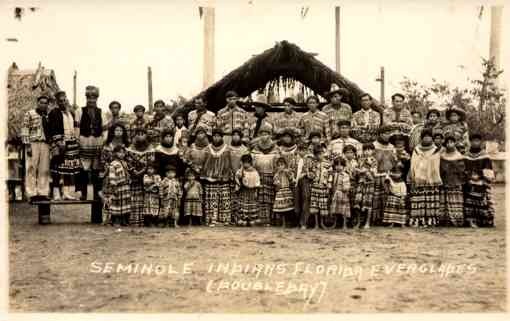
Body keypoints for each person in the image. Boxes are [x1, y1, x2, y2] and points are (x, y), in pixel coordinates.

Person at [48, 90, 82, 200]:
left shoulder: (70, 112)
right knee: (57, 169)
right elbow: (52, 128)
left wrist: (76, 140)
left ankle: (66, 193)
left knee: (68, 169)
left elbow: (75, 127)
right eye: (60, 101)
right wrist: (58, 142)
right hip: (60, 143)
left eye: (64, 100)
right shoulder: (54, 112)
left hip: (71, 143)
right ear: (57, 102)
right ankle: (56, 193)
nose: (63, 102)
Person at [74, 86, 106, 201]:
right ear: (86, 98)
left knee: (96, 170)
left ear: (97, 99)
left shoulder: (101, 112)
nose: (91, 100)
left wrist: (103, 142)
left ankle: (97, 193)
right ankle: (83, 193)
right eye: (89, 98)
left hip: (97, 142)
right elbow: (77, 128)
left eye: (94, 98)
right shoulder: (79, 111)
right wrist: (77, 141)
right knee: (83, 169)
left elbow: (104, 129)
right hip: (84, 141)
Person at [408, 129, 443, 227]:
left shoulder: (435, 150)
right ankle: (418, 220)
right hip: (419, 179)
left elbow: (436, 164)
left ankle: (431, 220)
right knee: (418, 200)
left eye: (429, 136)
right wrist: (414, 175)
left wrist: (429, 173)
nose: (427, 138)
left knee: (430, 201)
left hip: (431, 179)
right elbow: (413, 163)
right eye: (425, 136)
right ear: (421, 138)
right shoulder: (416, 149)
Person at [200, 128, 233, 226]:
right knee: (211, 199)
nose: (216, 138)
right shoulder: (207, 148)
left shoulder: (227, 148)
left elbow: (229, 163)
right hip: (210, 178)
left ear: (221, 137)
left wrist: (226, 174)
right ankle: (211, 219)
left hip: (224, 178)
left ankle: (224, 219)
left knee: (224, 199)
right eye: (214, 136)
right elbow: (204, 162)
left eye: (218, 136)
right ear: (212, 137)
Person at [21, 95, 51, 201]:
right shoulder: (30, 113)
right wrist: (27, 145)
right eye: (41, 102)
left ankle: (42, 192)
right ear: (37, 103)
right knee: (31, 168)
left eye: (45, 103)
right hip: (33, 143)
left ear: (48, 104)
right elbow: (25, 129)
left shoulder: (48, 115)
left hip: (45, 143)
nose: (43, 105)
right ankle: (32, 193)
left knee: (44, 169)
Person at [251, 124, 281, 226]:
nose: (264, 136)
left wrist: (276, 176)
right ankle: (260, 218)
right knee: (259, 198)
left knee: (269, 198)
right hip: (259, 176)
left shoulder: (275, 148)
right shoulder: (255, 147)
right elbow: (253, 162)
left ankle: (270, 218)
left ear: (270, 135)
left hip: (270, 176)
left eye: (266, 134)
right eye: (262, 134)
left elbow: (278, 163)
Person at [463, 133, 495, 228]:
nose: (475, 143)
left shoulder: (485, 156)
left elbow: (489, 171)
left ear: (480, 142)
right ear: (470, 142)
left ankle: (484, 221)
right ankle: (471, 221)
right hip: (470, 182)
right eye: (473, 141)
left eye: (477, 141)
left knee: (482, 201)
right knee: (469, 201)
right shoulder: (466, 155)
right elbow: (463, 169)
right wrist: (469, 177)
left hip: (482, 182)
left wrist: (480, 176)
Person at [126, 128, 155, 226]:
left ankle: (147, 221)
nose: (140, 136)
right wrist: (135, 172)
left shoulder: (150, 149)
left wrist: (143, 171)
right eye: (138, 134)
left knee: (147, 201)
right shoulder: (130, 148)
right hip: (134, 179)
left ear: (146, 135)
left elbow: (151, 163)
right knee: (135, 201)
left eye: (143, 133)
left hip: (147, 179)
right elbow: (129, 162)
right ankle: (134, 221)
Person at [100, 145, 131, 227]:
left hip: (125, 186)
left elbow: (127, 173)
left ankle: (124, 220)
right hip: (118, 186)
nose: (121, 154)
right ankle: (116, 220)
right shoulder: (113, 164)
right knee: (117, 204)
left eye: (123, 152)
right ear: (115, 153)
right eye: (119, 152)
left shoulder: (125, 163)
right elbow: (112, 176)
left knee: (124, 203)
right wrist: (114, 186)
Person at [440, 136, 466, 227]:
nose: (449, 144)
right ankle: (445, 220)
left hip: (455, 182)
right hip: (445, 181)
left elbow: (462, 170)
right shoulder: (442, 156)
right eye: (447, 142)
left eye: (451, 142)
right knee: (445, 202)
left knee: (455, 200)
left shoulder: (459, 156)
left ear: (455, 143)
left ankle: (456, 220)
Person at [353, 143, 378, 229]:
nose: (367, 152)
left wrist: (365, 170)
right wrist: (359, 171)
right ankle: (359, 222)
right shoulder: (360, 160)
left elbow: (373, 173)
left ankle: (367, 222)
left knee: (368, 202)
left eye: (369, 150)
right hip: (361, 182)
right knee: (358, 201)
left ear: (373, 151)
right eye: (365, 150)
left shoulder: (374, 160)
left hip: (369, 183)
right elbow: (356, 170)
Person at [306, 144, 331, 229]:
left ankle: (322, 223)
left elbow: (330, 176)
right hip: (315, 186)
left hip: (323, 187)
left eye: (321, 153)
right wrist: (310, 174)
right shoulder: (313, 163)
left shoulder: (328, 164)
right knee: (315, 205)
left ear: (324, 153)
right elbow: (311, 175)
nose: (320, 156)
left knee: (322, 205)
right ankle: (316, 224)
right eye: (317, 154)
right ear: (315, 155)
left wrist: (328, 185)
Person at [228, 128, 249, 224]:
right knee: (231, 198)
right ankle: (232, 218)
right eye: (234, 135)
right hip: (229, 175)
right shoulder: (227, 148)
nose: (235, 137)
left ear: (240, 137)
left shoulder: (244, 149)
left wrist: (240, 173)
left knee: (241, 198)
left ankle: (241, 218)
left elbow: (246, 163)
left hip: (241, 176)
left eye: (237, 135)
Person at [235, 154, 261, 226]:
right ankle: (243, 219)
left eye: (247, 162)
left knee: (252, 205)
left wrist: (256, 191)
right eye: (244, 162)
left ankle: (252, 219)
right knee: (243, 205)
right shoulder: (241, 171)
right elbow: (237, 178)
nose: (246, 164)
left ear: (250, 163)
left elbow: (257, 182)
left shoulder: (255, 172)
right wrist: (240, 179)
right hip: (244, 190)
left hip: (252, 191)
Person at [328, 156, 351, 229]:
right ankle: (335, 223)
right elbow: (332, 183)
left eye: (341, 165)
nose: (338, 167)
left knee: (343, 210)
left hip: (342, 194)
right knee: (335, 209)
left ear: (343, 166)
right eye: (337, 165)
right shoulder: (334, 174)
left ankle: (344, 224)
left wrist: (345, 189)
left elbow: (346, 185)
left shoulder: (345, 175)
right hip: (336, 193)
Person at [273, 157, 295, 228]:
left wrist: (288, 173)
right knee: (281, 209)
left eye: (282, 165)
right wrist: (277, 183)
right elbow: (276, 182)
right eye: (278, 165)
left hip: (287, 191)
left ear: (285, 165)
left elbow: (291, 179)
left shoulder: (287, 172)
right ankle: (283, 223)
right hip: (280, 192)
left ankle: (289, 223)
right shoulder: (277, 174)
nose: (280, 167)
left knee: (288, 208)